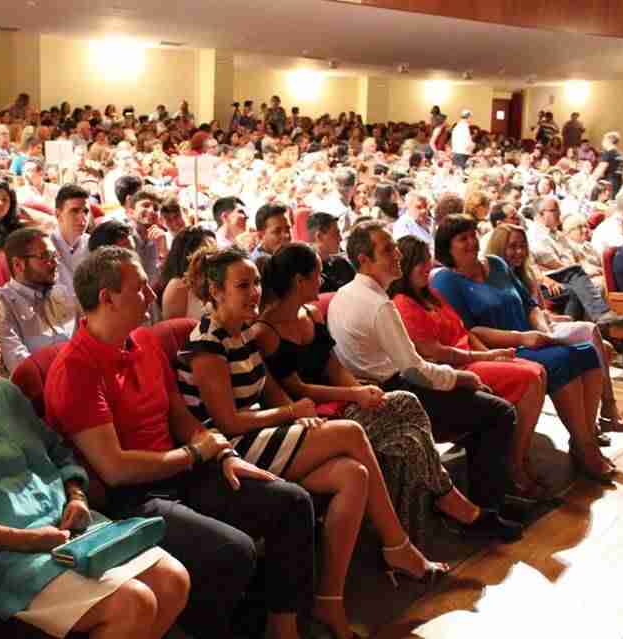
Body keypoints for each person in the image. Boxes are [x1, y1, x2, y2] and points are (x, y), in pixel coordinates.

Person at [0, 282, 188, 638]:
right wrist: (25, 540)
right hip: (3, 558)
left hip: (68, 532)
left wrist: (76, 495)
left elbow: (58, 452)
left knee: (173, 580)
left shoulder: (7, 394)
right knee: (133, 603)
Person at [177, 246, 449, 638]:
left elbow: (272, 392)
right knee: (352, 433)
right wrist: (293, 414)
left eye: (255, 282)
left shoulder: (239, 333)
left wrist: (297, 413)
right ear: (216, 292)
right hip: (229, 450)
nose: (254, 291)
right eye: (242, 285)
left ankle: (329, 600)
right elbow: (227, 420)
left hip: (258, 434)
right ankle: (397, 544)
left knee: (353, 476)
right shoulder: (206, 342)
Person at [44, 246, 315, 639]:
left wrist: (221, 453)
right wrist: (192, 454)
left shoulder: (143, 342)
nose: (152, 295)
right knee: (233, 551)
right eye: (139, 289)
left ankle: (282, 630)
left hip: (183, 469)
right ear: (107, 298)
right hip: (133, 497)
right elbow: (115, 469)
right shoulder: (75, 369)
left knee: (291, 502)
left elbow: (180, 416)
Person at [253, 242, 519, 537]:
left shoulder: (312, 313)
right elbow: (297, 388)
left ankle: (420, 525)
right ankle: (450, 511)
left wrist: (359, 390)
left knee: (406, 414)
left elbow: (334, 366)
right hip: (311, 414)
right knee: (408, 436)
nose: (323, 280)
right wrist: (354, 395)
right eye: (317, 274)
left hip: (342, 397)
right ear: (299, 281)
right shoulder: (266, 331)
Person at [327, 221, 527, 524]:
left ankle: (486, 499)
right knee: (500, 412)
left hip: (376, 387)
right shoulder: (380, 304)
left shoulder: (345, 293)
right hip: (392, 394)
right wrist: (460, 377)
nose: (397, 254)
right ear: (364, 260)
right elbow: (415, 371)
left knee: (481, 404)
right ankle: (486, 510)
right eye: (387, 250)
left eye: (394, 246)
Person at [430, 215, 615, 483]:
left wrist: (543, 329)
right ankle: (585, 446)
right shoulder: (446, 280)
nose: (471, 242)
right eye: (462, 239)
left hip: (534, 338)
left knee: (587, 352)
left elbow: (530, 305)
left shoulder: (495, 264)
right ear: (448, 247)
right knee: (563, 360)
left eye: (472, 235)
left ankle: (583, 439)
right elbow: (468, 331)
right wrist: (522, 338)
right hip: (502, 347)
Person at [389, 236, 548, 497]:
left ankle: (518, 456)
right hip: (456, 367)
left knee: (538, 370)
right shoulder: (403, 303)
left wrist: (491, 354)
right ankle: (515, 464)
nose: (426, 266)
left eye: (427, 259)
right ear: (405, 266)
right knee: (530, 376)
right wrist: (484, 358)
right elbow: (436, 352)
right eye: (418, 262)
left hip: (472, 356)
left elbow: (465, 331)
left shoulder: (432, 294)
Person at [485, 223, 623, 434]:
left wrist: (557, 319)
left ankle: (590, 425)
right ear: (499, 248)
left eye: (522, 246)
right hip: (526, 337)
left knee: (598, 341)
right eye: (512, 246)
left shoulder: (527, 276)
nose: (518, 252)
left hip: (544, 327)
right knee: (592, 334)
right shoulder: (494, 278)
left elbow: (540, 311)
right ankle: (603, 413)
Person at [526, 196, 623, 327]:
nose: (559, 214)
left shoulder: (557, 234)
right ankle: (597, 321)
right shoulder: (534, 235)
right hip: (548, 281)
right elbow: (542, 264)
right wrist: (543, 279)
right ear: (540, 214)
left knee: (600, 280)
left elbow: (578, 256)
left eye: (558, 210)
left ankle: (606, 330)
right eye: (554, 210)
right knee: (587, 280)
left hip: (567, 275)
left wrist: (591, 270)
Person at [0, 227, 77, 373]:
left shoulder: (60, 293)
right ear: (18, 265)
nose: (55, 263)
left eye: (55, 256)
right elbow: (21, 366)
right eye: (45, 256)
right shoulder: (1, 303)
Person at [159, 226, 215, 320]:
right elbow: (175, 331)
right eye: (206, 251)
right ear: (187, 254)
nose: (214, 256)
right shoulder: (178, 285)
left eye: (215, 250)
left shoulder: (214, 281)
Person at [305, 212, 354, 293]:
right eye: (336, 234)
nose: (341, 239)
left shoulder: (342, 264)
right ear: (319, 236)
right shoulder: (308, 275)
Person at [592, 131, 623, 198]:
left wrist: (591, 180)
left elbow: (600, 169)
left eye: (604, 140)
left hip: (607, 183)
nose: (602, 142)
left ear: (609, 141)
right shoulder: (622, 154)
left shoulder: (608, 153)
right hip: (618, 182)